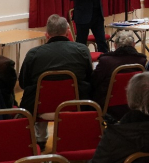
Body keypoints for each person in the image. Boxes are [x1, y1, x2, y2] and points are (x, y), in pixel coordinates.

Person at [18, 15, 93, 146]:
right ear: (68, 32)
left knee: (36, 92)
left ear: (47, 34)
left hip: (40, 109)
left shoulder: (33, 54)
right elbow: (90, 78)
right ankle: (75, 139)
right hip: (76, 106)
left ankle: (40, 139)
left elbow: (24, 83)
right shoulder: (82, 50)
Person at [90, 30, 146, 113]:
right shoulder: (141, 61)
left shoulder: (105, 61)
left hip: (108, 107)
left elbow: (94, 81)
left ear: (115, 45)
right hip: (135, 105)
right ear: (133, 45)